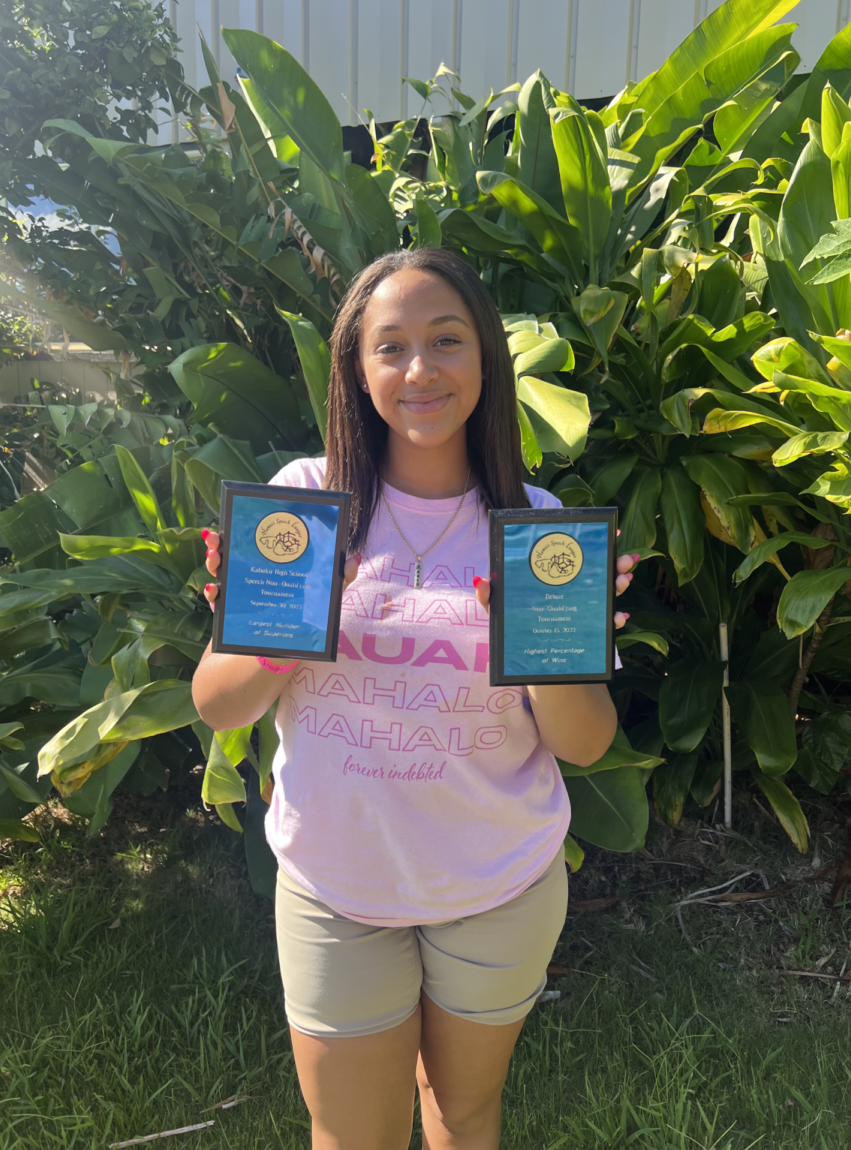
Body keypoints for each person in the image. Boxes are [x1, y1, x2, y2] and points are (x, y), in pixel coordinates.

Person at [192, 249, 637, 1150]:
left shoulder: (539, 527)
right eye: (390, 347)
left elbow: (585, 744)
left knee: (463, 1114)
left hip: (495, 883)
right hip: (335, 882)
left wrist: (548, 641)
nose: (420, 369)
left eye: (446, 341)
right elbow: (219, 703)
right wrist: (291, 623)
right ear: (357, 369)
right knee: (352, 1135)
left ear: (484, 361)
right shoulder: (305, 504)